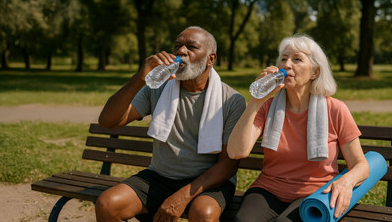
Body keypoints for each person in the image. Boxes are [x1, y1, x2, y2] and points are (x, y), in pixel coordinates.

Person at [95, 26, 246, 222]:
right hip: (159, 177)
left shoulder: (231, 100)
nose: (181, 52)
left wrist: (182, 196)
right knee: (107, 205)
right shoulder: (158, 88)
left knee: (204, 214)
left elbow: (228, 165)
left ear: (211, 59)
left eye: (191, 47)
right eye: (177, 46)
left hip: (207, 183)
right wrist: (141, 77)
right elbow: (108, 121)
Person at [227, 34, 369, 222]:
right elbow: (236, 152)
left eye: (297, 59)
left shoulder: (335, 109)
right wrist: (255, 102)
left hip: (315, 193)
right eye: (283, 59)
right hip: (268, 189)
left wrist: (346, 181)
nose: (287, 65)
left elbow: (361, 165)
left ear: (315, 73)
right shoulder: (267, 107)